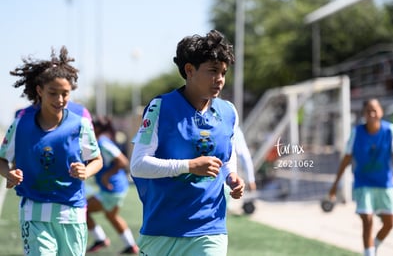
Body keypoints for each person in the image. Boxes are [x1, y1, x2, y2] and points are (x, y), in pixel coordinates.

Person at [129, 29, 245, 256]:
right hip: (162, 229)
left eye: (223, 72)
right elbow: (138, 165)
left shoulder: (229, 112)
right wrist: (189, 166)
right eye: (213, 71)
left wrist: (232, 176)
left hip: (210, 227)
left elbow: (227, 156)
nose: (220, 79)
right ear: (189, 70)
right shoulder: (159, 108)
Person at [0, 46, 103, 256]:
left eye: (65, 94)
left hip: (71, 213)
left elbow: (97, 160)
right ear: (39, 91)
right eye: (53, 93)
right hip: (34, 212)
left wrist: (86, 171)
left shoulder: (80, 124)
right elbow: (1, 160)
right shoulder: (21, 124)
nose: (59, 100)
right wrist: (8, 173)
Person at [328, 98, 393, 256]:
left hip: (384, 183)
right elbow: (346, 159)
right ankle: (369, 253)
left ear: (381, 111)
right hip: (363, 183)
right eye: (368, 110)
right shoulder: (356, 133)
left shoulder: (389, 130)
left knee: (389, 223)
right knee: (367, 220)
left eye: (375, 109)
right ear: (364, 114)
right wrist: (334, 185)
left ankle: (374, 246)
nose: (372, 113)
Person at [86, 116, 139, 254]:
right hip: (114, 188)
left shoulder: (103, 143)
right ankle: (131, 245)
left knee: (83, 210)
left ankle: (100, 239)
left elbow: (123, 161)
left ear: (96, 128)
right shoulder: (100, 141)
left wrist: (106, 175)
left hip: (112, 188)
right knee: (112, 216)